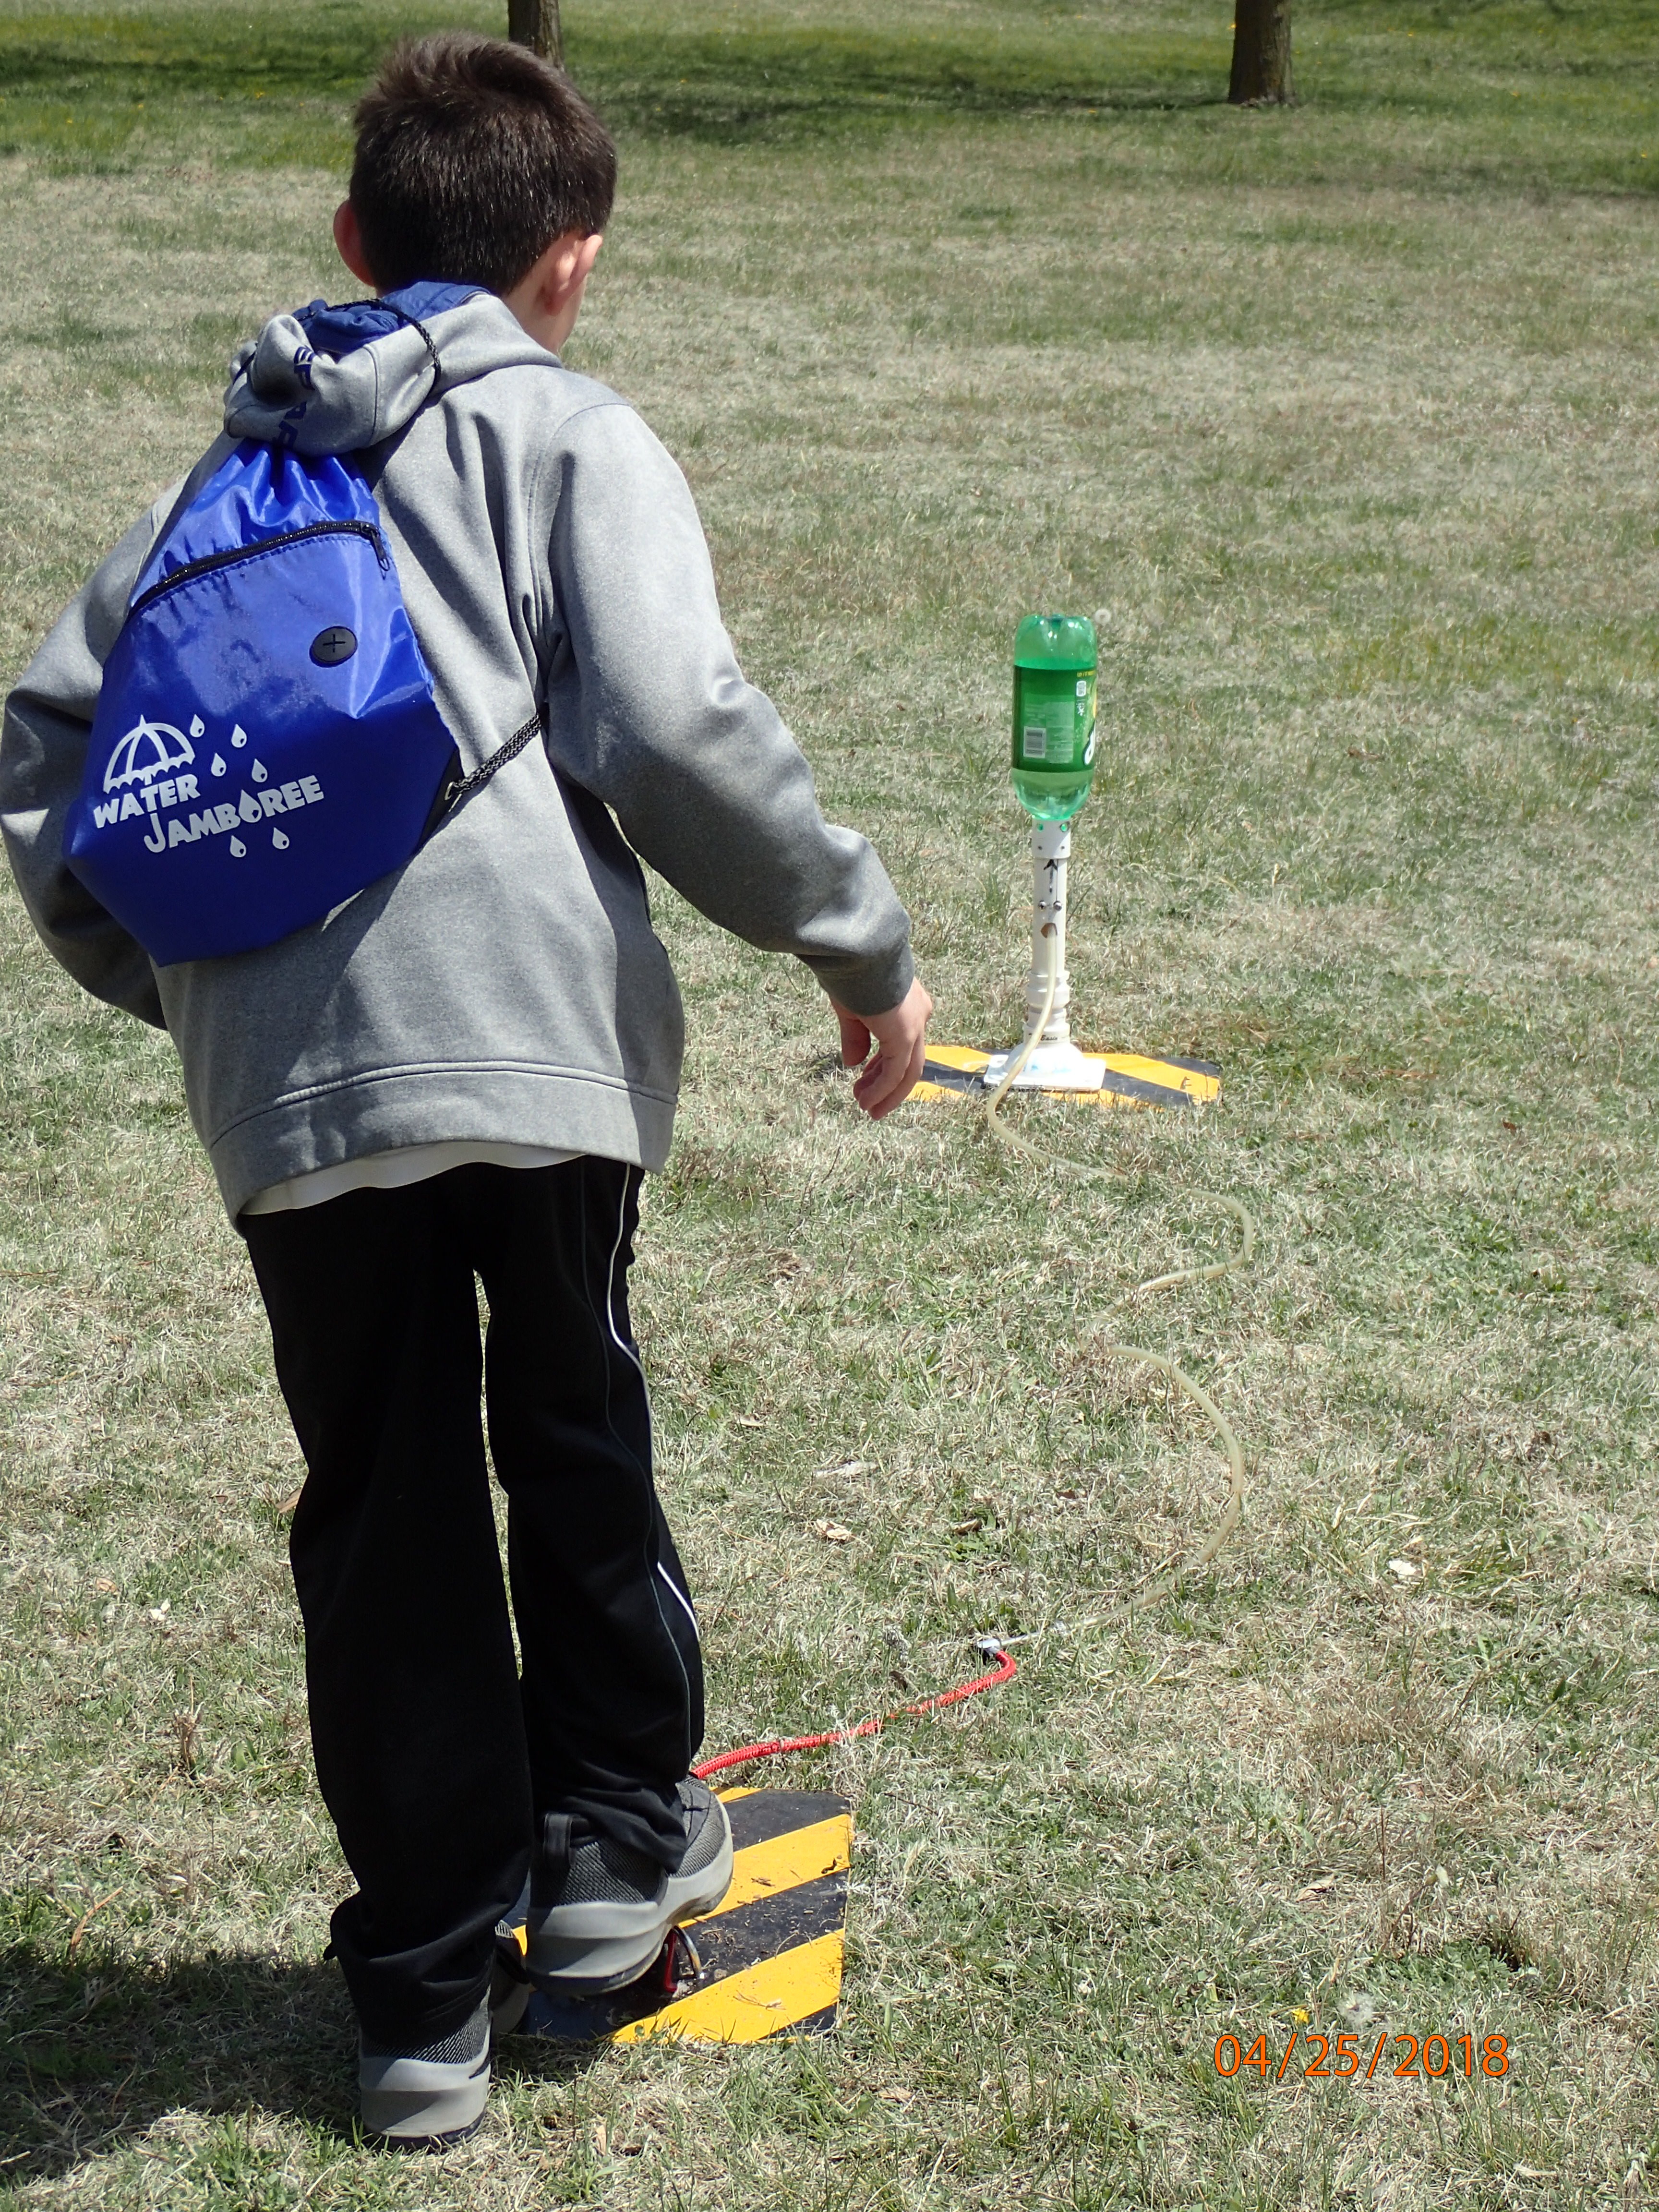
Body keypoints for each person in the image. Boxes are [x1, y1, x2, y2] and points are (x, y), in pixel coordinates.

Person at [0, 31, 931, 2149]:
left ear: (350, 242)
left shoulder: (215, 483)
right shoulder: (572, 432)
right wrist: (855, 941)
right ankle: (614, 1860)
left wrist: (190, 988)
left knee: (384, 1496)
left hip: (294, 1088)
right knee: (574, 1430)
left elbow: (49, 755)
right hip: (534, 1039)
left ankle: (423, 2009)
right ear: (573, 267)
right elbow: (679, 723)